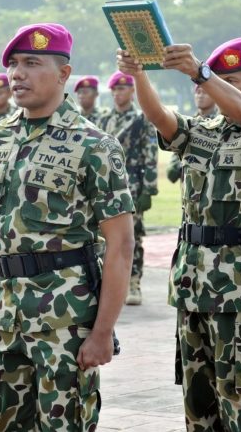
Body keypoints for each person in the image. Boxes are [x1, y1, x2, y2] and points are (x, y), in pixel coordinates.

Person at [0, 23, 134, 431]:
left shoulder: (93, 144)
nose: (17, 74)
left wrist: (103, 331)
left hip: (64, 319)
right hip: (2, 316)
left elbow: (121, 244)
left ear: (63, 73)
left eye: (32, 63)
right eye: (14, 64)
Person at [117, 36, 241, 430]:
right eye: (216, 79)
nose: (218, 87)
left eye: (232, 80)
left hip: (236, 283)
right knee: (198, 400)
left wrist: (201, 71)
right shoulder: (202, 131)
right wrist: (140, 75)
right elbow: (160, 117)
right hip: (192, 281)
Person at [98, 71, 158, 305]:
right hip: (104, 184)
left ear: (132, 91)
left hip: (132, 181)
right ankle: (109, 284)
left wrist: (149, 189)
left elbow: (150, 154)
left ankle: (133, 283)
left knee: (132, 236)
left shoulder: (142, 119)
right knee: (103, 236)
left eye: (122, 88)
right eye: (114, 89)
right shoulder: (103, 120)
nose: (117, 93)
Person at [166, 84, 218, 187]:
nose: (200, 96)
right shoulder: (189, 123)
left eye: (205, 92)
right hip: (189, 185)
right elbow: (178, 147)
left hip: (212, 183)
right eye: (198, 92)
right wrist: (175, 165)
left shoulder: (221, 121)